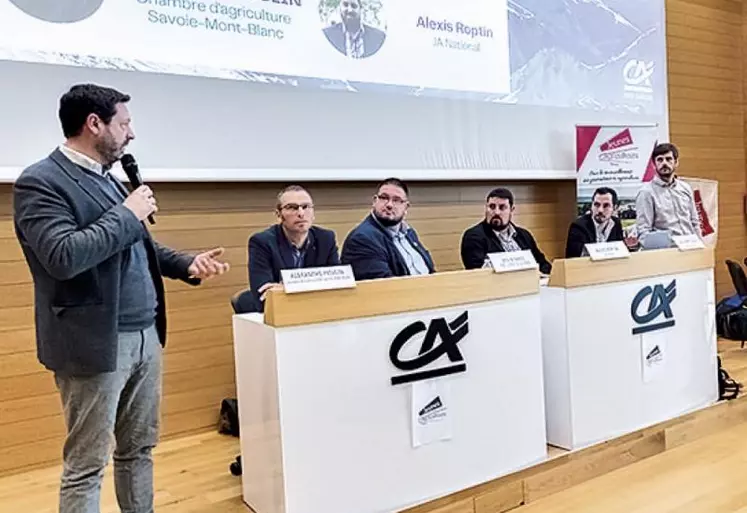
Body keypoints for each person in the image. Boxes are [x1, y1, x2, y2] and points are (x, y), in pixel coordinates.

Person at [12, 83, 229, 513]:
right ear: (95, 124)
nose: (131, 134)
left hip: (146, 335)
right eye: (125, 123)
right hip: (95, 343)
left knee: (138, 449)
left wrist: (186, 263)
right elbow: (64, 255)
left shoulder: (108, 180)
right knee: (86, 464)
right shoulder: (41, 182)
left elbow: (135, 245)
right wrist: (127, 212)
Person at [247, 185, 340, 312]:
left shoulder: (326, 238)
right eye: (292, 208)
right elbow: (264, 296)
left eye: (306, 207)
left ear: (313, 213)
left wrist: (287, 287)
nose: (301, 213)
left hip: (319, 312)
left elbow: (338, 284)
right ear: (279, 215)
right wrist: (315, 287)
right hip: (281, 315)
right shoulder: (262, 242)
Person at [341, 178, 434, 280]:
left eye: (396, 200)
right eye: (384, 198)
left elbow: (430, 270)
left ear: (406, 208)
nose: (389, 205)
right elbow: (385, 287)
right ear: (374, 202)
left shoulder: (409, 233)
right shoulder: (362, 239)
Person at [460, 187, 552, 274]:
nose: (496, 212)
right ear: (486, 208)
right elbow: (477, 273)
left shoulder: (524, 235)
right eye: (492, 207)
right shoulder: (474, 236)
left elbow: (544, 265)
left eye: (502, 207)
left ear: (511, 210)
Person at [635, 142, 701, 246]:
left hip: (691, 247)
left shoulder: (685, 188)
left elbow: (695, 222)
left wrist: (700, 246)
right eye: (660, 160)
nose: (664, 163)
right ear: (654, 165)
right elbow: (644, 232)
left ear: (676, 162)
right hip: (667, 252)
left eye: (668, 159)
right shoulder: (646, 193)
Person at [565, 186, 637, 258]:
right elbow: (573, 259)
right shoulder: (578, 227)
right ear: (591, 206)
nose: (600, 210)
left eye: (606, 205)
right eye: (596, 205)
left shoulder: (616, 223)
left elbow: (619, 252)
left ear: (614, 208)